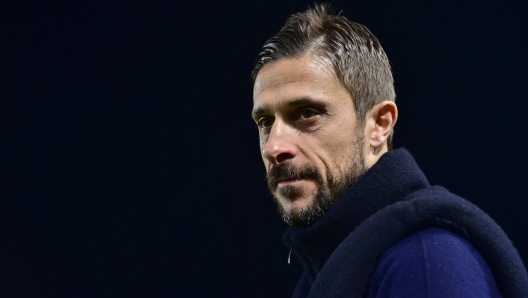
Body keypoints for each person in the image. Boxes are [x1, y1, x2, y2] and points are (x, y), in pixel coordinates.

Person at [250, 4, 528, 298]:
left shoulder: (426, 264)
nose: (274, 147)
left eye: (307, 113)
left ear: (379, 125)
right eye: (265, 122)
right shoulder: (326, 272)